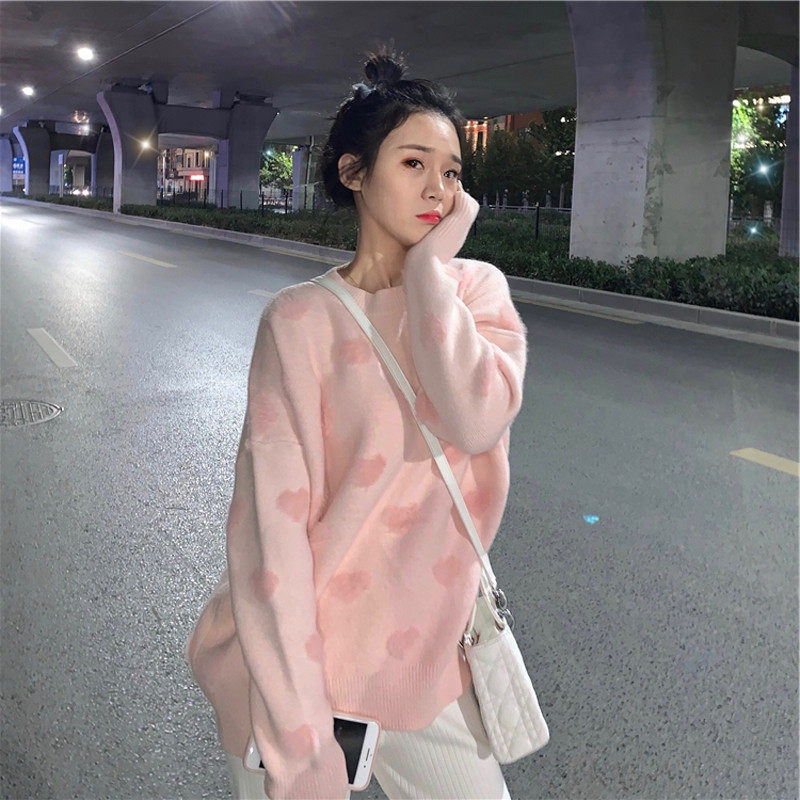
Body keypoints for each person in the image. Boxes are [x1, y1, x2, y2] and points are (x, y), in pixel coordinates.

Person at [185, 42, 528, 800]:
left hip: (422, 666)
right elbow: (271, 535)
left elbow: (476, 418)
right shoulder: (298, 321)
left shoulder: (476, 295)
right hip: (295, 670)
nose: (438, 188)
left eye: (452, 172)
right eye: (413, 163)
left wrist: (428, 270)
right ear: (353, 172)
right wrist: (302, 741)